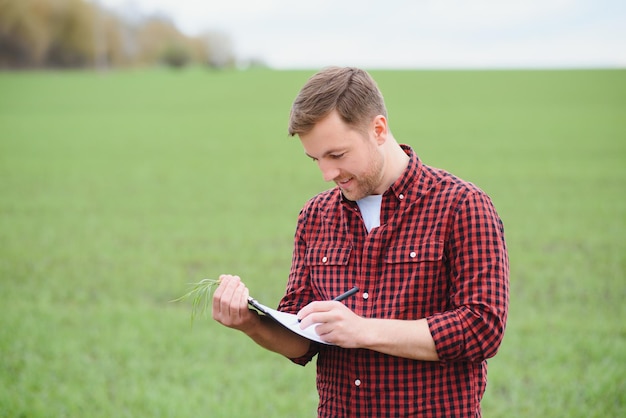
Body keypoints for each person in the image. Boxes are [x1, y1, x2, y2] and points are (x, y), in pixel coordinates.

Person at [212, 67, 509, 417]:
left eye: (336, 155)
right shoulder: (315, 216)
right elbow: (301, 339)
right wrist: (251, 323)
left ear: (378, 130)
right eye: (316, 159)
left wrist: (363, 330)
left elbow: (482, 329)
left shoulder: (462, 206)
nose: (327, 174)